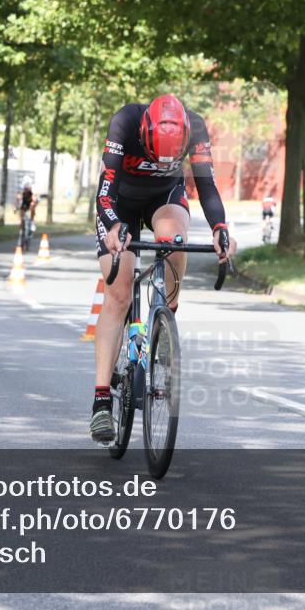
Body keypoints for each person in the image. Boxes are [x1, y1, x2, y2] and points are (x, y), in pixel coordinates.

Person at [89, 94, 236, 443]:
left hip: (164, 197)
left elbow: (206, 185)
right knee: (119, 293)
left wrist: (220, 228)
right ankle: (101, 401)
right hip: (120, 202)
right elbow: (104, 192)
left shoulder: (196, 126)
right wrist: (111, 226)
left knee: (174, 237)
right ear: (146, 131)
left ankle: (166, 315)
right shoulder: (125, 121)